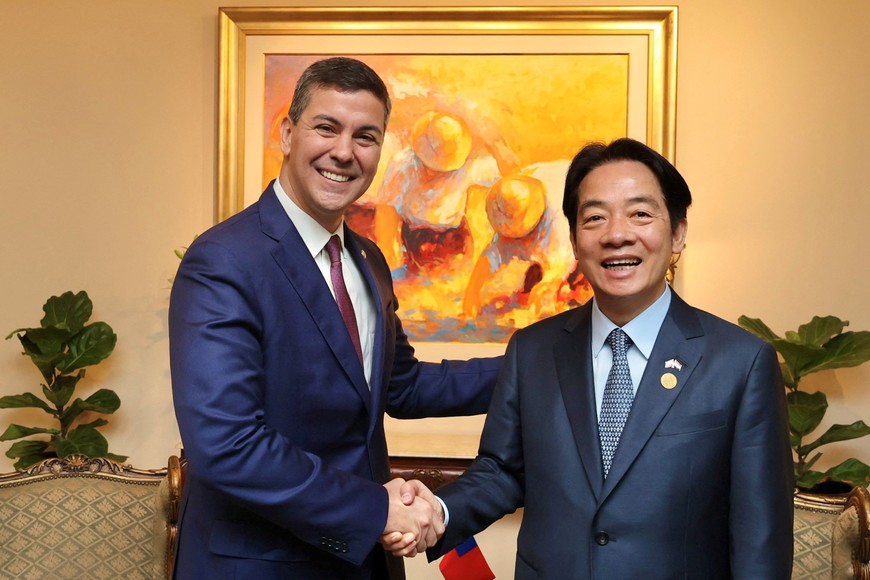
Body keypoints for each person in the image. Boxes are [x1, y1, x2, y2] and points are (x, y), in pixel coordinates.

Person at [390, 137, 794, 577]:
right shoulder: (533, 350)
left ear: (678, 232)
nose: (617, 235)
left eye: (640, 214)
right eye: (595, 218)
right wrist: (439, 512)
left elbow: (760, 541)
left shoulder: (741, 363)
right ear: (574, 239)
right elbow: (503, 471)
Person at [168, 57, 500, 579]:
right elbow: (227, 445)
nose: (344, 152)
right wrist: (376, 510)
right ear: (288, 133)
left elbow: (403, 386)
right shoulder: (224, 260)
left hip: (362, 564)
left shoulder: (368, 260)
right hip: (260, 568)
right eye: (327, 127)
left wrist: (536, 360)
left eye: (365, 136)